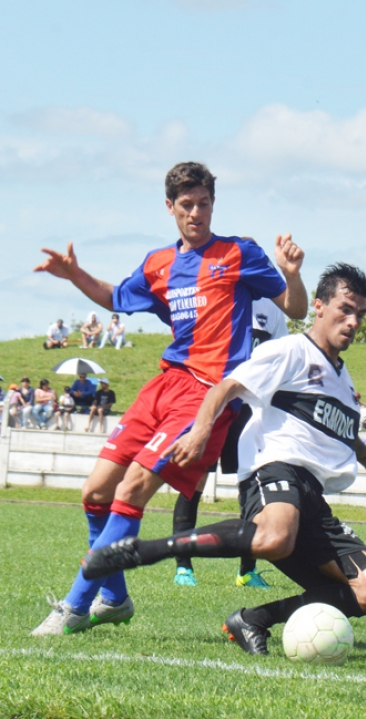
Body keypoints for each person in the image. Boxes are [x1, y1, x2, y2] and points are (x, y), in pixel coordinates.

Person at [32, 161, 307, 637]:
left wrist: (291, 274)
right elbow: (117, 296)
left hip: (208, 394)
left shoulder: (238, 253)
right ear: (170, 207)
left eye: (204, 204)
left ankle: (74, 606)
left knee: (131, 490)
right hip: (165, 384)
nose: (196, 213)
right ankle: (114, 599)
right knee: (95, 492)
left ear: (213, 205)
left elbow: (296, 308)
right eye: (186, 205)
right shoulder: (158, 263)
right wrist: (76, 275)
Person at [80, 263, 366, 657]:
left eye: (360, 314)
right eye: (344, 309)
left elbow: (347, 436)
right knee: (275, 537)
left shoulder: (344, 384)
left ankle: (253, 620)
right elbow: (225, 388)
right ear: (319, 306)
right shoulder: (289, 350)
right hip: (275, 469)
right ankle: (149, 550)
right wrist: (199, 430)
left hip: (313, 498)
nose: (352, 322)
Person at [172, 296, 291, 589]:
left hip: (250, 409)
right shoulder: (218, 296)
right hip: (213, 402)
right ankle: (183, 567)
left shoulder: (272, 308)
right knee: (194, 482)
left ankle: (247, 571)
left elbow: (281, 359)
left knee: (252, 488)